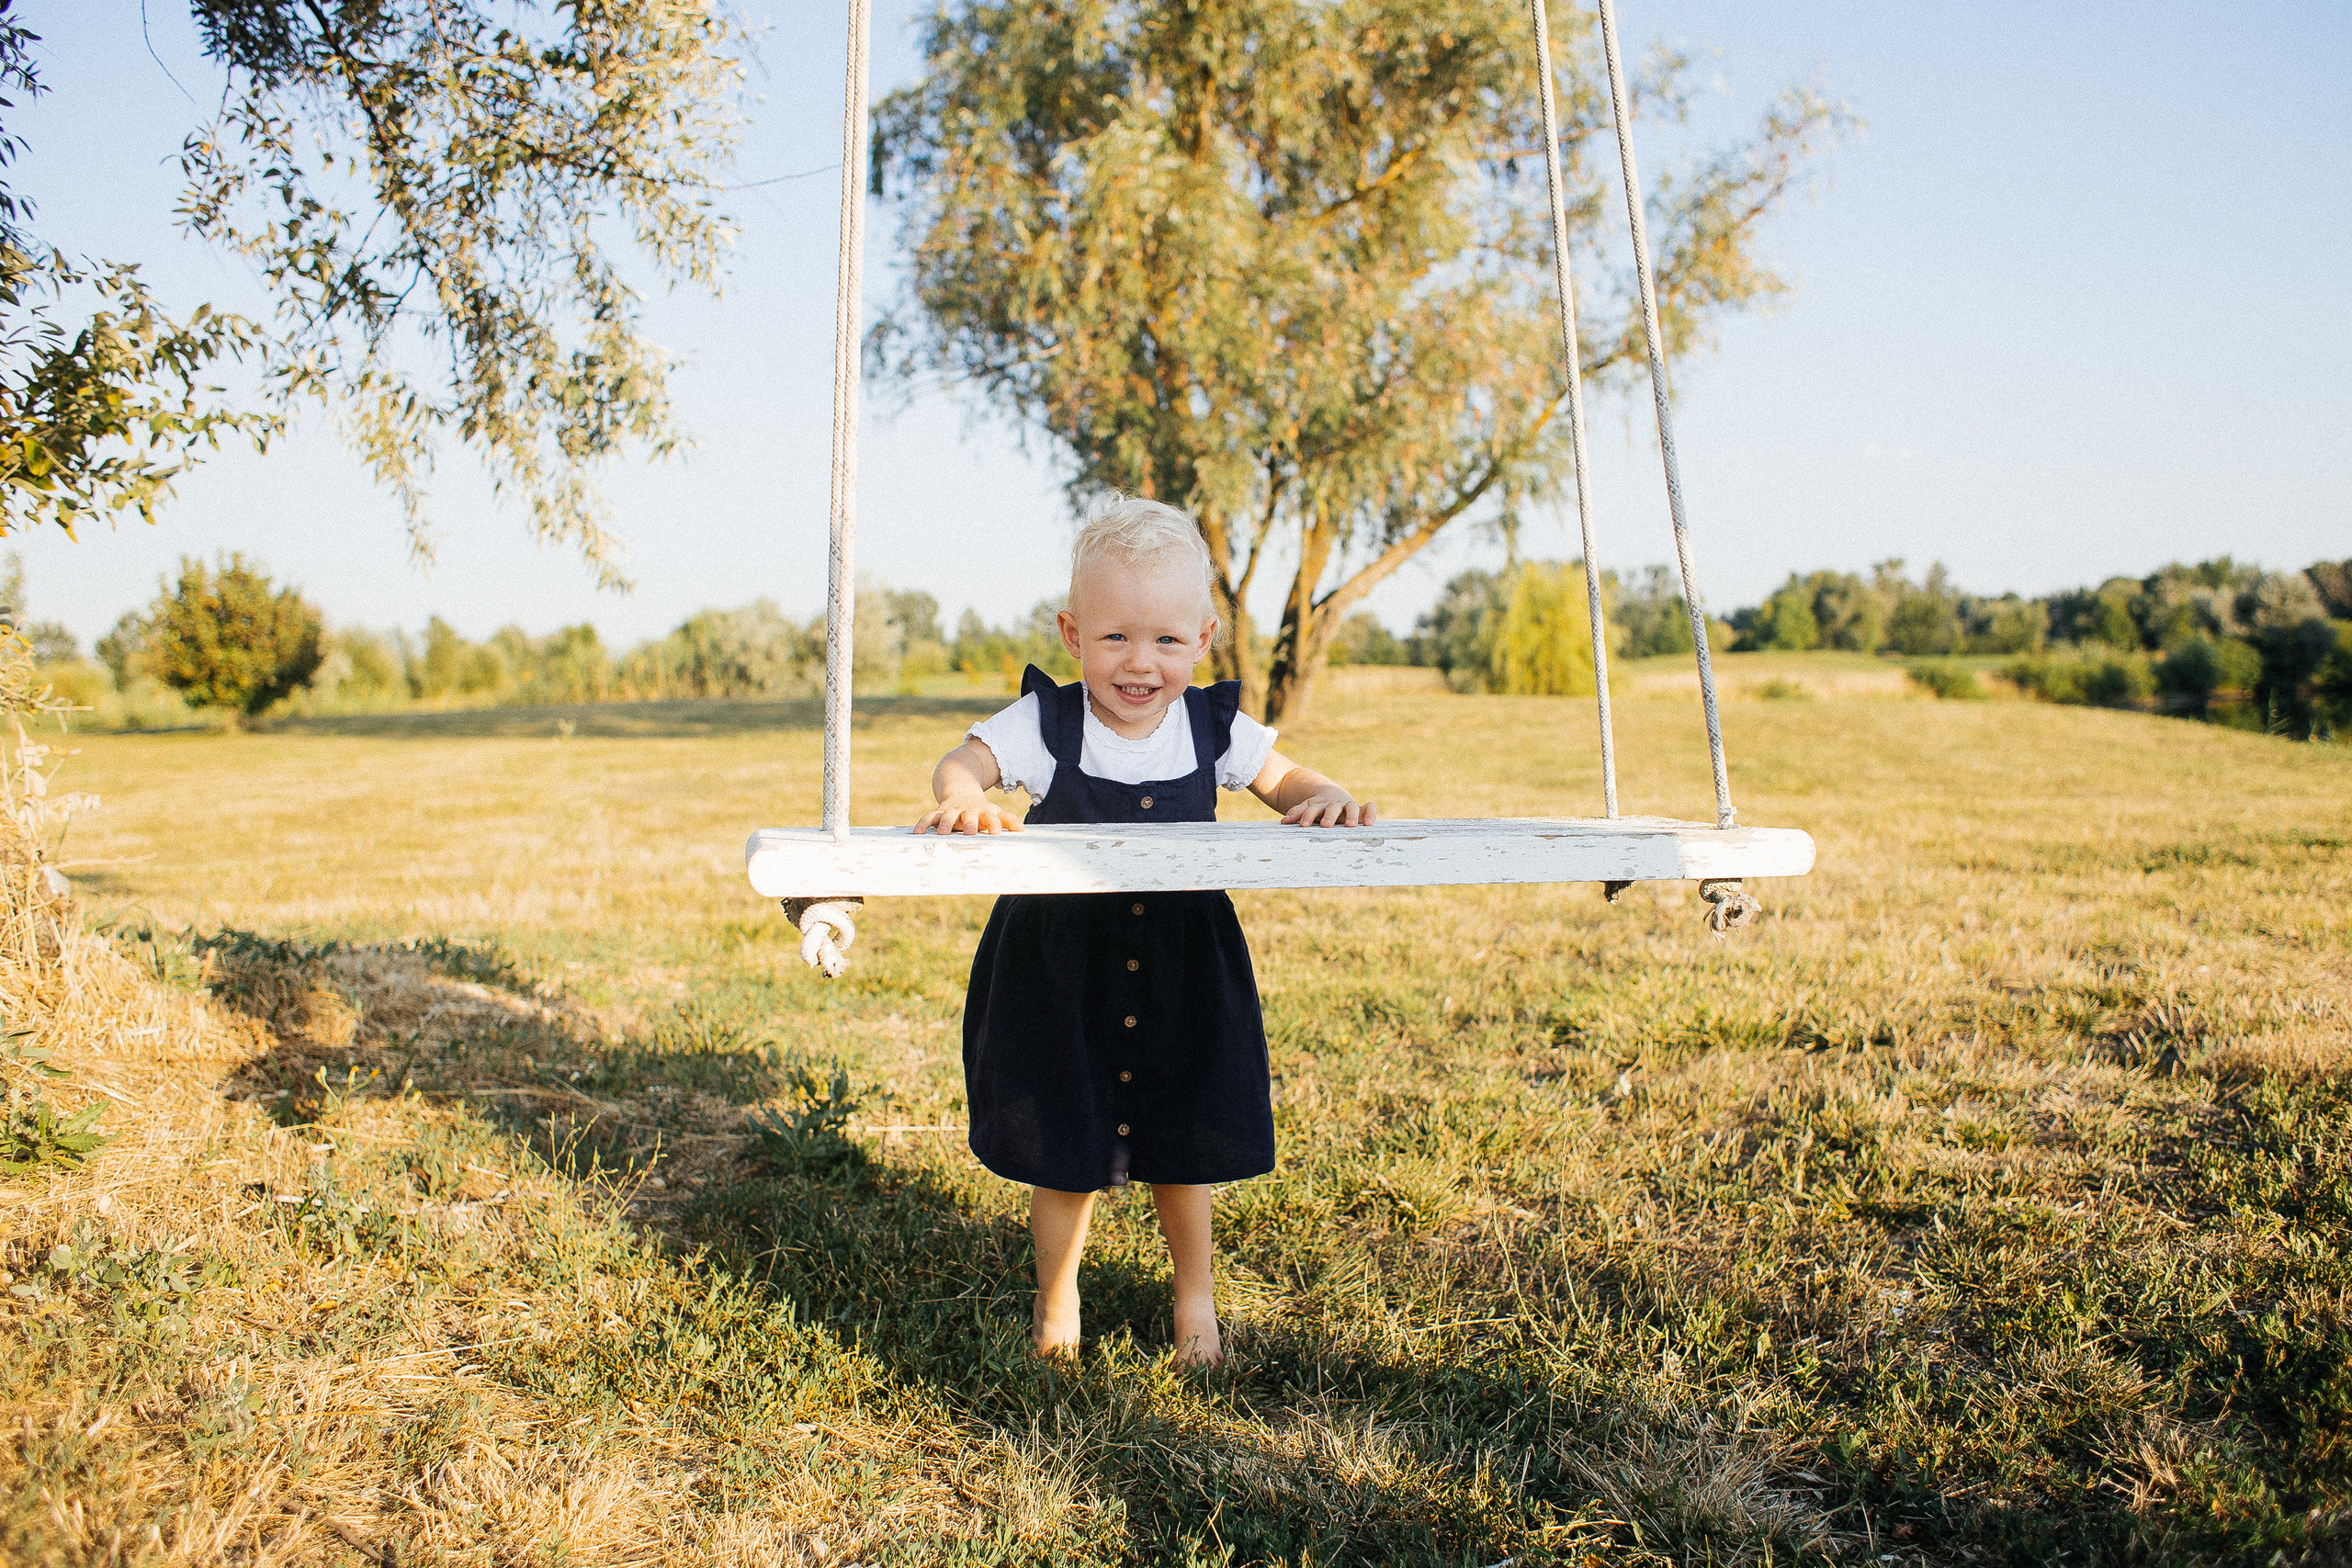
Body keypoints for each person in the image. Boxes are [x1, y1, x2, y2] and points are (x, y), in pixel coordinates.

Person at [915, 496, 1376, 1365]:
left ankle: (1194, 1298)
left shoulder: (1211, 725)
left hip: (1182, 963)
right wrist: (964, 796)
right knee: (1063, 1138)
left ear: (1202, 641)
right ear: (1072, 633)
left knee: (1183, 1134)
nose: (1140, 662)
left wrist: (1321, 792)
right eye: (1116, 637)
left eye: (1166, 640)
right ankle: (1058, 1301)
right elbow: (965, 760)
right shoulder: (1048, 723)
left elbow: (1282, 776)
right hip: (1062, 965)